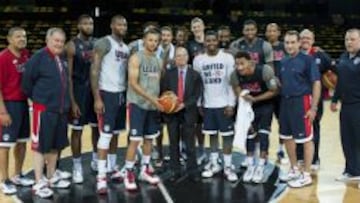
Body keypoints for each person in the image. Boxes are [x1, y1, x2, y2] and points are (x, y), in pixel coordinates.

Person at [22, 27, 71, 198]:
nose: (59, 44)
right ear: (47, 40)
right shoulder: (38, 58)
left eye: (61, 41)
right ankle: (38, 182)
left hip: (60, 110)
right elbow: (27, 83)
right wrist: (38, 101)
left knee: (55, 146)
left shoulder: (62, 58)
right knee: (40, 147)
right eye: (56, 40)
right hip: (44, 110)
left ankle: (50, 178)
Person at [90, 15, 129, 194]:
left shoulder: (126, 48)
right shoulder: (103, 43)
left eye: (125, 25)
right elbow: (94, 70)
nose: (123, 27)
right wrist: (97, 97)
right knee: (105, 135)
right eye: (119, 24)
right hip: (106, 93)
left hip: (121, 94)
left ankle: (112, 167)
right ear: (112, 25)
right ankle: (101, 176)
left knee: (115, 134)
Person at [193, 30, 238, 182]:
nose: (211, 43)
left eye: (213, 40)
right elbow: (198, 84)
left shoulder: (227, 58)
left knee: (227, 136)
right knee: (211, 135)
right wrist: (199, 103)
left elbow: (232, 82)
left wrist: (232, 103)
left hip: (224, 103)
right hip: (208, 104)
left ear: (218, 41)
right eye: (208, 41)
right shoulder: (199, 60)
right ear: (204, 42)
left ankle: (228, 165)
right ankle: (214, 163)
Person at [278, 30, 321, 188]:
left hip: (302, 102)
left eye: (292, 42)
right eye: (287, 42)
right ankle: (294, 168)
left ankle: (307, 174)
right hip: (285, 102)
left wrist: (313, 108)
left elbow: (316, 83)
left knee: (306, 139)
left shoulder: (308, 60)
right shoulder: (283, 62)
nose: (289, 45)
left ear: (298, 43)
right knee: (287, 137)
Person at [124, 28, 163, 191]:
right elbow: (133, 83)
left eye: (156, 40)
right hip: (137, 104)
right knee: (135, 140)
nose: (153, 43)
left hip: (152, 107)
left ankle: (145, 169)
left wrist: (160, 101)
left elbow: (157, 85)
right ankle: (128, 172)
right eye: (150, 40)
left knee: (149, 139)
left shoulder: (159, 61)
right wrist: (152, 99)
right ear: (144, 40)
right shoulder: (136, 57)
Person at [230, 51, 278, 183]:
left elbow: (274, 91)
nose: (239, 67)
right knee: (249, 135)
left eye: (242, 63)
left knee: (263, 135)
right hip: (248, 106)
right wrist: (244, 96)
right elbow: (237, 89)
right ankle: (251, 165)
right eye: (237, 64)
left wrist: (255, 99)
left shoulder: (264, 71)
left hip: (265, 105)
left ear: (250, 62)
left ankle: (261, 166)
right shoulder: (235, 75)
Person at [0, 27, 34, 195]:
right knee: (5, 144)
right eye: (18, 36)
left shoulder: (27, 55)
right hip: (8, 104)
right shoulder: (3, 58)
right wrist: (2, 112)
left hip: (23, 104)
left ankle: (17, 175)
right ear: (9, 39)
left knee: (21, 142)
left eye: (24, 36)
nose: (22, 38)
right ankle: (4, 180)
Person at [65, 14, 99, 183]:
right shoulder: (71, 45)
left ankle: (95, 160)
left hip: (95, 92)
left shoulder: (97, 44)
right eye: (85, 23)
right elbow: (68, 76)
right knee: (77, 130)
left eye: (91, 23)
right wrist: (72, 101)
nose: (89, 25)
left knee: (96, 128)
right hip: (79, 91)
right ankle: (77, 166)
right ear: (79, 25)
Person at [161, 47, 202, 182]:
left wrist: (183, 105)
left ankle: (193, 171)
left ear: (187, 57)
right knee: (173, 143)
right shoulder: (168, 74)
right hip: (172, 114)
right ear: (175, 59)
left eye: (183, 55)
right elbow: (164, 92)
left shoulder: (195, 74)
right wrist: (170, 105)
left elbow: (196, 95)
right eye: (178, 56)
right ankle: (175, 170)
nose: (181, 58)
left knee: (190, 144)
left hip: (188, 112)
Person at [297, 29, 333, 171]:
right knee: (298, 128)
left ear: (313, 40)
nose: (305, 40)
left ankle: (314, 159)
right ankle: (300, 157)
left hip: (315, 100)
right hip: (298, 99)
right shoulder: (295, 55)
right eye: (303, 37)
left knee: (314, 128)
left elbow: (335, 71)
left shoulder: (321, 55)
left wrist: (331, 87)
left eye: (308, 38)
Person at [331, 28, 360, 182]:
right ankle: (351, 170)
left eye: (353, 39)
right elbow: (340, 82)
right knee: (347, 138)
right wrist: (335, 99)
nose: (349, 42)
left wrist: (338, 65)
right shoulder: (344, 57)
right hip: (346, 105)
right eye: (347, 39)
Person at [265, 23, 287, 164]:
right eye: (269, 30)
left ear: (279, 32)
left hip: (282, 92)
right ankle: (263, 151)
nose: (272, 33)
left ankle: (281, 150)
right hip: (267, 91)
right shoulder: (263, 47)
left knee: (282, 123)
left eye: (274, 30)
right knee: (265, 123)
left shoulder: (284, 47)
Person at [154, 26, 175, 167]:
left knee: (173, 125)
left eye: (168, 35)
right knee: (159, 126)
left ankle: (175, 153)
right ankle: (159, 153)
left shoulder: (177, 52)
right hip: (157, 92)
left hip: (172, 93)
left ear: (171, 37)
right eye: (163, 35)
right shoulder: (155, 51)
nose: (165, 37)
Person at [187, 17, 207, 164]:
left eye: (198, 25)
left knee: (211, 122)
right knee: (197, 122)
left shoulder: (211, 41)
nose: (196, 28)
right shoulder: (190, 45)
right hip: (196, 86)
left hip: (213, 86)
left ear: (203, 26)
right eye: (194, 26)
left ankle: (211, 152)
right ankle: (199, 149)